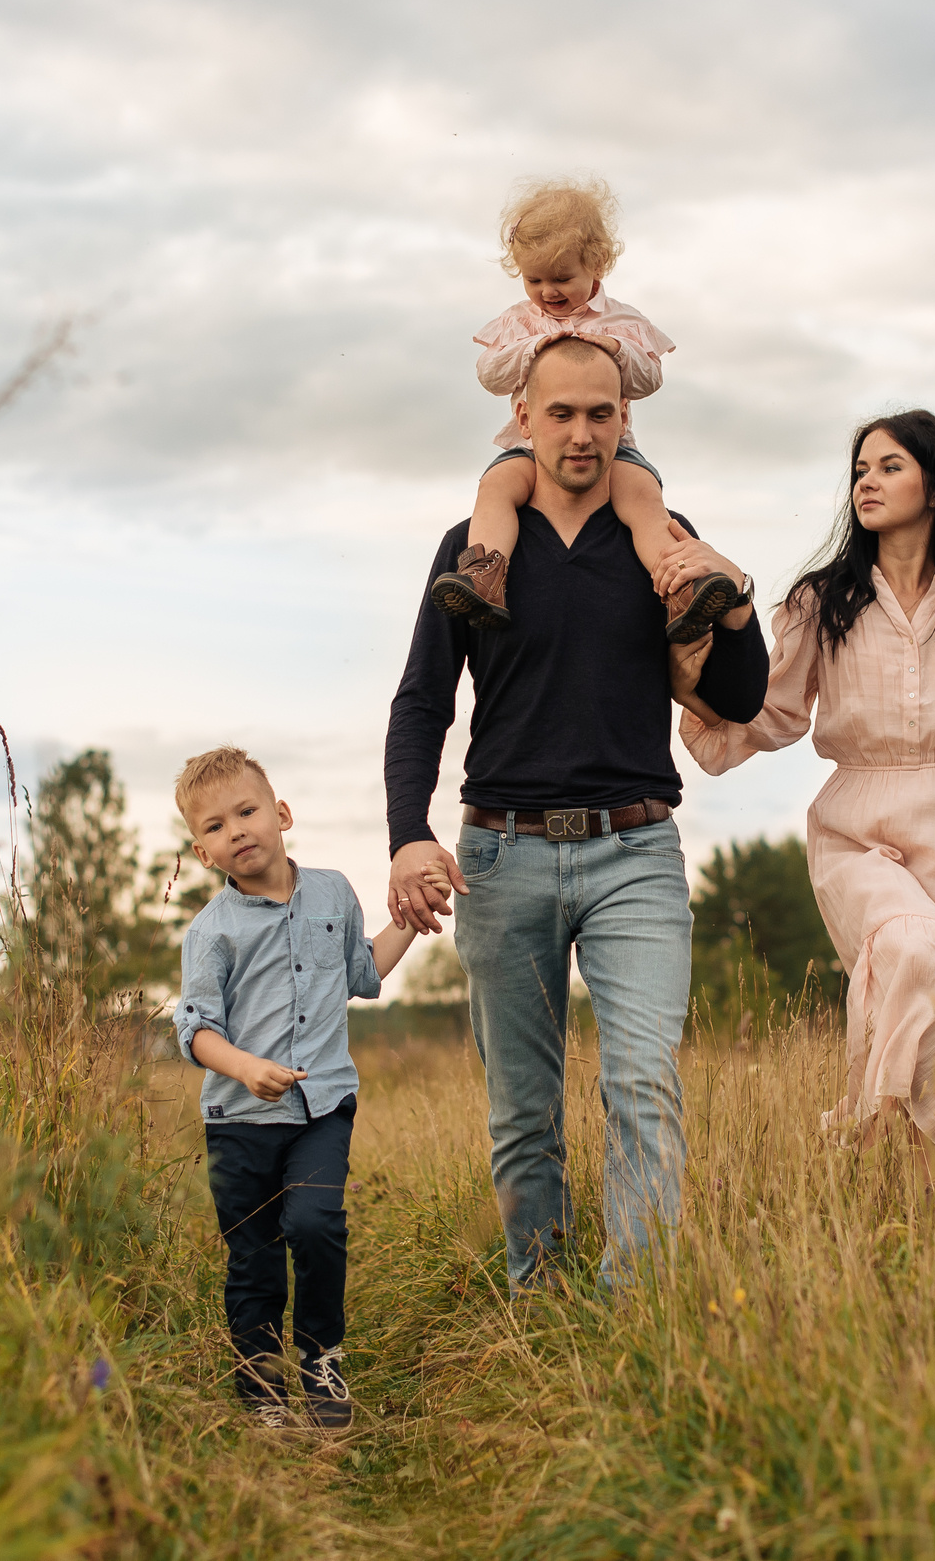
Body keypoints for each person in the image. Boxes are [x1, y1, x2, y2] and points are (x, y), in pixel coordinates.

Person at [384, 336, 769, 1289]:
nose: (583, 433)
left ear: (625, 418)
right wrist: (407, 834)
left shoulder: (661, 537)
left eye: (602, 413)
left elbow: (744, 693)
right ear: (523, 416)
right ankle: (541, 1294)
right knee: (523, 1106)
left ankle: (634, 1305)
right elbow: (423, 701)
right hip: (501, 853)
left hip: (634, 849)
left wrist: (735, 604)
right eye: (561, 414)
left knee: (643, 1080)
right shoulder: (474, 552)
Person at [677, 412, 935, 1173]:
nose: (866, 479)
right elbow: (771, 714)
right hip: (856, 827)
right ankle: (862, 1127)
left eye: (890, 466)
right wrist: (690, 691)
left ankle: (913, 1186)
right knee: (912, 945)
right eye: (861, 467)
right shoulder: (819, 601)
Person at [172, 745, 433, 1429]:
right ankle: (261, 1385)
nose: (237, 830)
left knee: (316, 1226)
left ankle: (322, 1360)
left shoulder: (332, 892)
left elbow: (364, 972)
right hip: (238, 1118)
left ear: (281, 813)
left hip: (321, 1108)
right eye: (216, 826)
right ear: (203, 852)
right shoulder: (210, 933)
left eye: (248, 811)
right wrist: (244, 1067)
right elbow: (195, 1030)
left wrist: (409, 915)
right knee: (254, 1258)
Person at [429, 178, 743, 645]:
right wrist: (533, 348)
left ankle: (680, 588)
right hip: (531, 447)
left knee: (643, 501)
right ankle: (485, 577)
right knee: (495, 487)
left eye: (561, 278)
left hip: (614, 452)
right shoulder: (519, 322)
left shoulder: (622, 321)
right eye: (534, 280)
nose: (548, 292)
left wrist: (617, 350)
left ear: (596, 265)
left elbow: (650, 379)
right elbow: (490, 374)